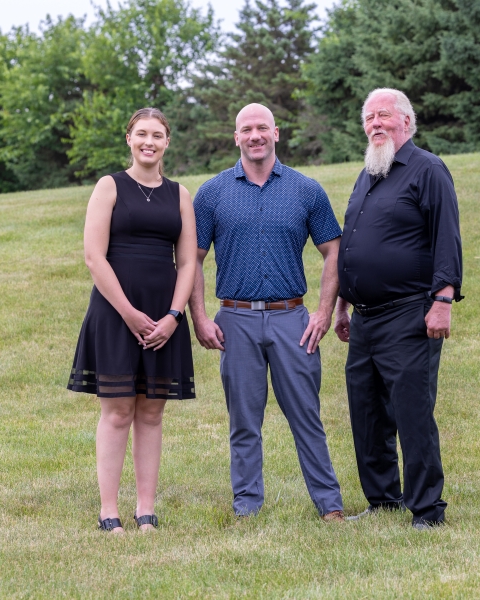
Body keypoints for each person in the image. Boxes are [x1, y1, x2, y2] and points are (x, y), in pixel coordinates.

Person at [189, 103, 346, 522]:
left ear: (276, 133)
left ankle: (330, 506)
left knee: (306, 417)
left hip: (292, 319)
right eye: (246, 129)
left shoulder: (306, 190)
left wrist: (324, 311)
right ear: (236, 137)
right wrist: (200, 318)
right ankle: (247, 508)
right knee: (243, 422)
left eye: (262, 127)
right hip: (235, 320)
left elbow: (334, 251)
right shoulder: (212, 193)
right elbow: (192, 260)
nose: (255, 135)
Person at [334, 88, 463, 530]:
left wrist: (443, 301)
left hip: (410, 313)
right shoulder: (370, 173)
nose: (374, 124)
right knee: (366, 413)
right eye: (368, 118)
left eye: (383, 116)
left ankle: (428, 509)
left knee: (411, 412)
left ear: (406, 121)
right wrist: (343, 305)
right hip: (365, 318)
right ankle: (383, 498)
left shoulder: (428, 170)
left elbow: (447, 239)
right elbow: (354, 243)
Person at [67, 107, 197, 534]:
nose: (149, 141)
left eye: (157, 135)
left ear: (167, 142)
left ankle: (146, 510)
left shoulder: (179, 194)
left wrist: (174, 316)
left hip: (163, 314)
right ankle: (109, 512)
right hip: (115, 311)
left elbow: (188, 262)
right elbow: (93, 256)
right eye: (141, 133)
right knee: (119, 410)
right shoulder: (110, 186)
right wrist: (128, 313)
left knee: (153, 411)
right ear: (128, 138)